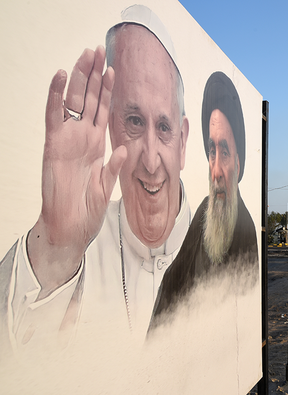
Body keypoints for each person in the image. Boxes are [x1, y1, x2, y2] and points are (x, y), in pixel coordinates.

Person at [0, 5, 191, 355]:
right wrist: (56, 251)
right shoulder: (83, 244)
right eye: (133, 121)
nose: (150, 161)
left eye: (163, 127)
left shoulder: (215, 244)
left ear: (183, 140)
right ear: (110, 128)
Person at [148, 71, 258, 331]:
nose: (216, 170)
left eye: (225, 152)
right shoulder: (203, 214)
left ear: (239, 164)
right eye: (212, 151)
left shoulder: (247, 236)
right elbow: (171, 280)